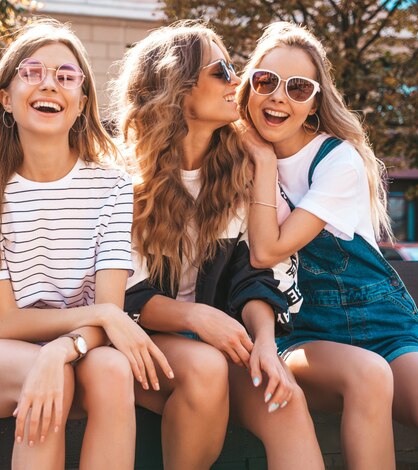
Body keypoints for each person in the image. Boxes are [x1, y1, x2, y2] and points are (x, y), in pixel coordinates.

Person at [0, 19, 173, 470]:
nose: (50, 85)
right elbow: (5, 323)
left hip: (70, 345)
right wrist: (95, 321)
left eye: (66, 77)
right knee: (52, 376)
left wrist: (65, 346)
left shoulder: (113, 186)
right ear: (6, 97)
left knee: (113, 370)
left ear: (82, 103)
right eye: (32, 72)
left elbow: (108, 314)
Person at [111, 21, 324, 470]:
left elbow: (253, 275)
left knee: (284, 397)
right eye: (223, 70)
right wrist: (197, 317)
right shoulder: (119, 183)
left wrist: (265, 342)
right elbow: (120, 295)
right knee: (205, 365)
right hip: (132, 346)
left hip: (213, 345)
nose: (238, 81)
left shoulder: (235, 171)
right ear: (178, 88)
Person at [238, 21, 418, 470]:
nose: (279, 96)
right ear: (249, 85)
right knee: (365, 375)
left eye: (298, 88)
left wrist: (261, 160)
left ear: (314, 101)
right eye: (266, 81)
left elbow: (270, 247)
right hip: (304, 334)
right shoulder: (231, 157)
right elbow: (260, 257)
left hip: (384, 332)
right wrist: (259, 159)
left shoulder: (338, 160)